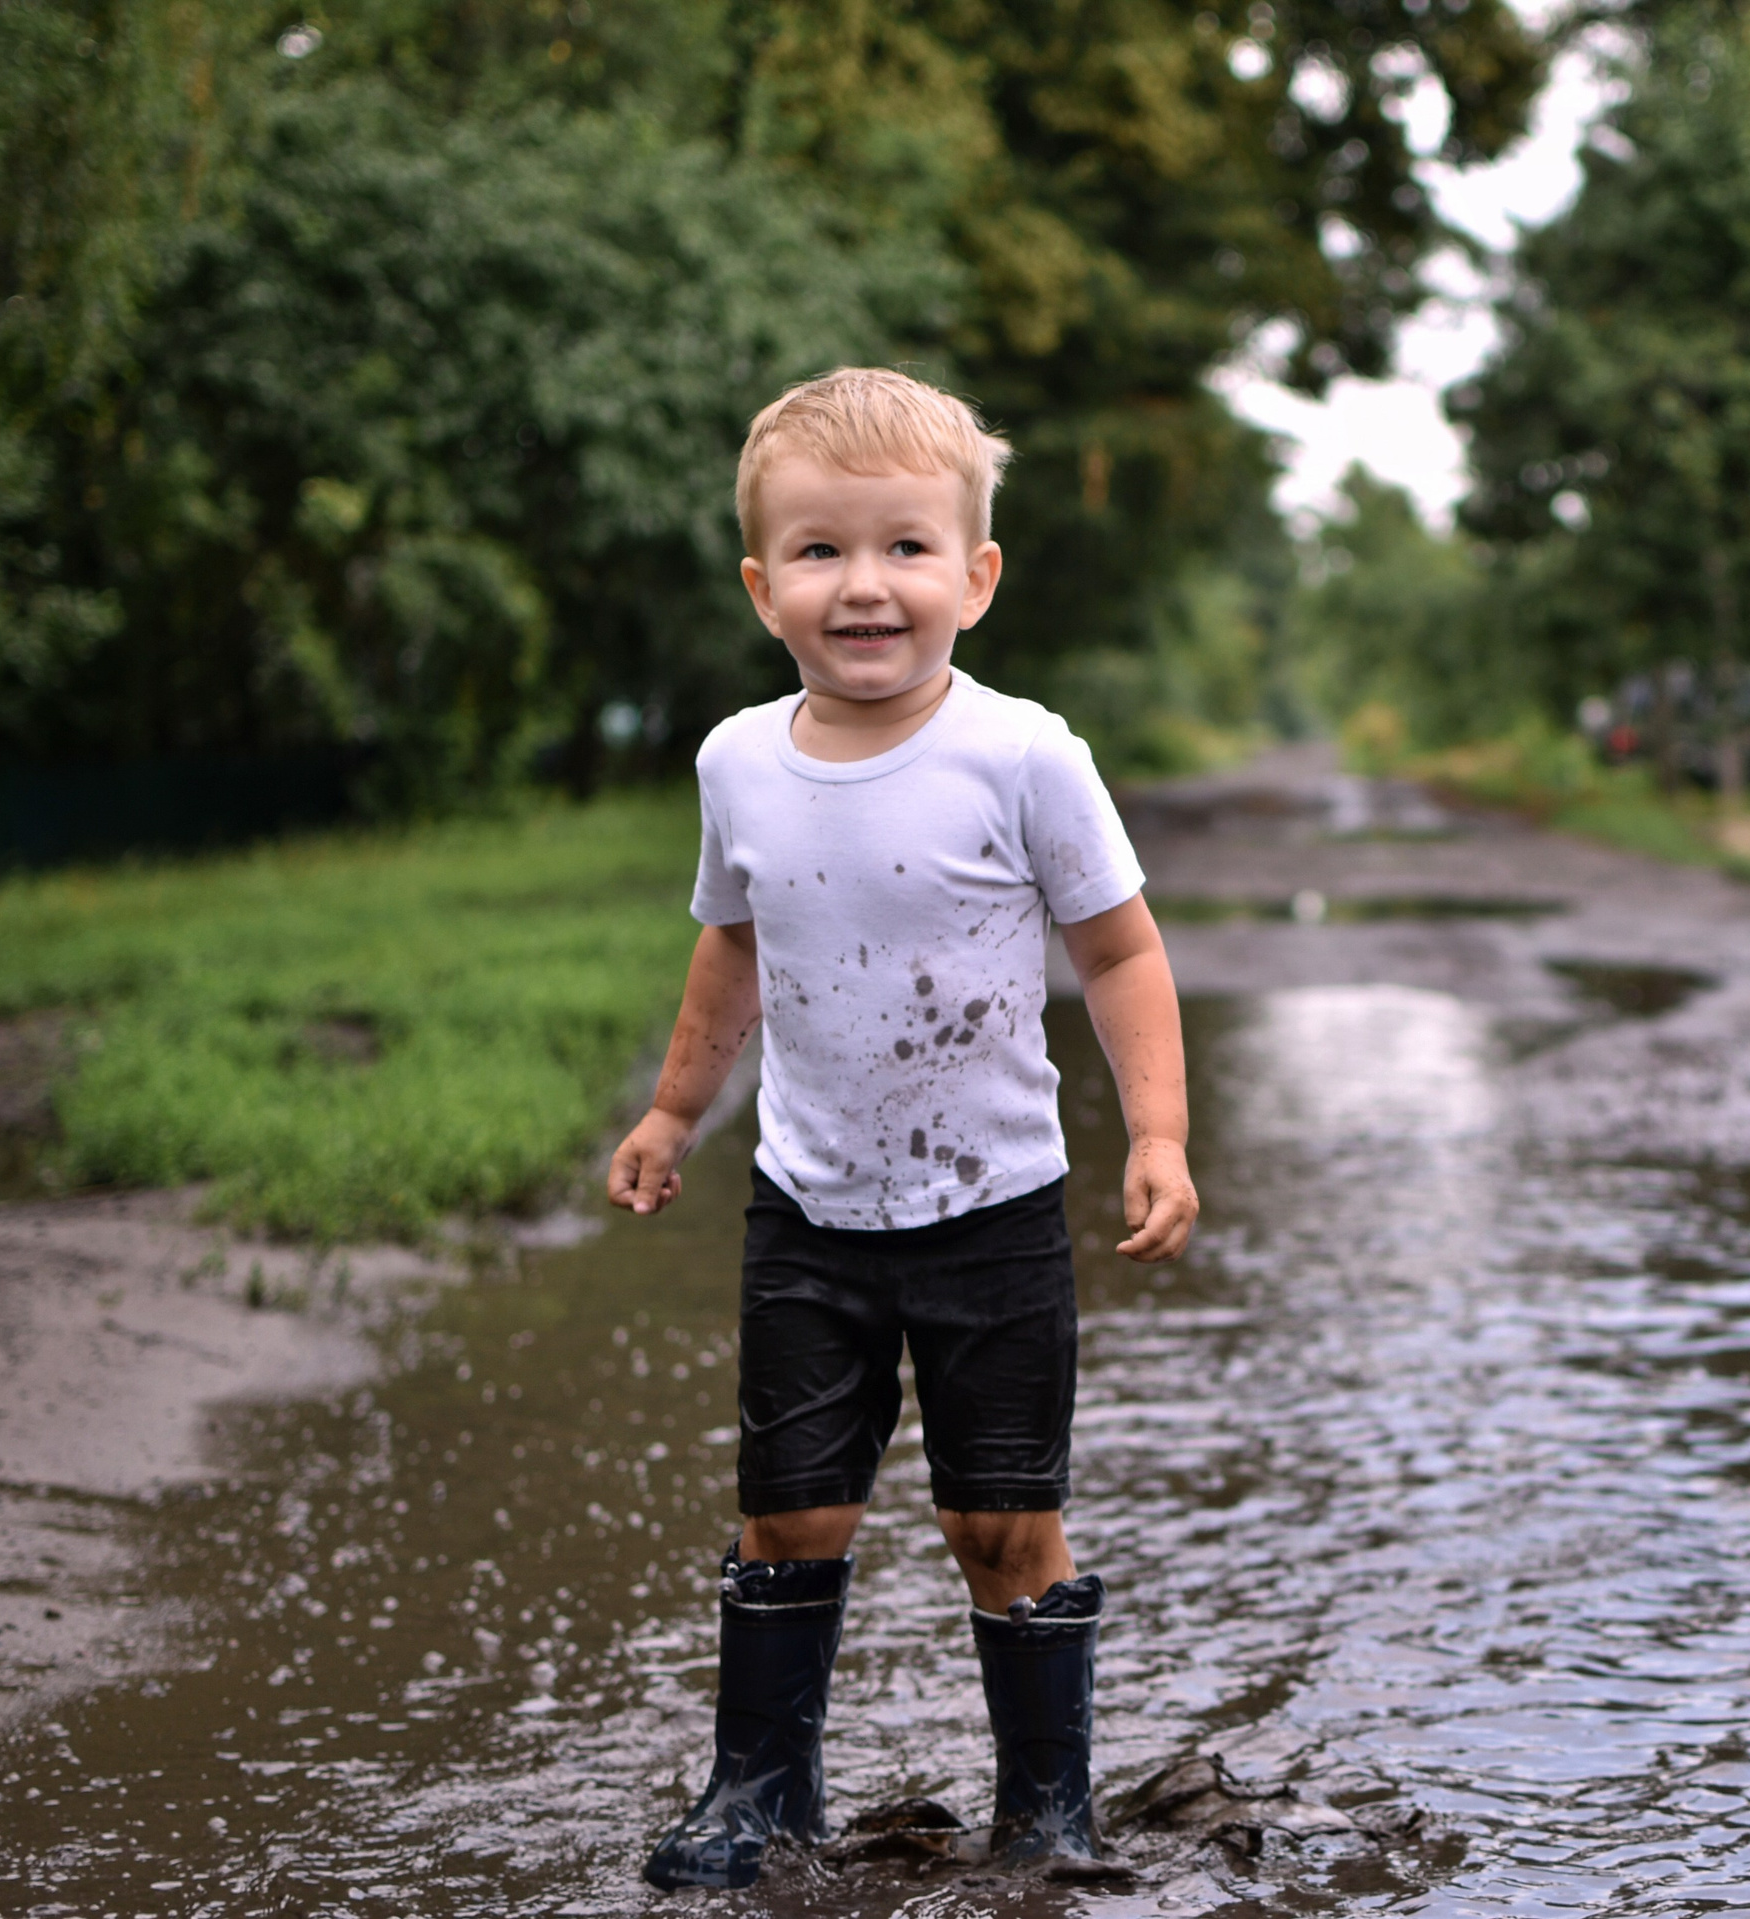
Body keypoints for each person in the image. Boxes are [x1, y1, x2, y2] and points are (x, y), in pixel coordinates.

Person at [606, 366, 1197, 1890]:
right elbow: (730, 943)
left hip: (993, 1212)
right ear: (763, 588)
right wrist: (678, 1107)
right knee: (789, 1510)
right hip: (809, 1211)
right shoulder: (740, 762)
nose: (864, 586)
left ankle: (1049, 1808)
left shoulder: (1023, 756)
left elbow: (1121, 951)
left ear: (975, 577)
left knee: (1001, 1521)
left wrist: (1160, 1135)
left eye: (905, 548)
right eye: (819, 551)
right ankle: (759, 1792)